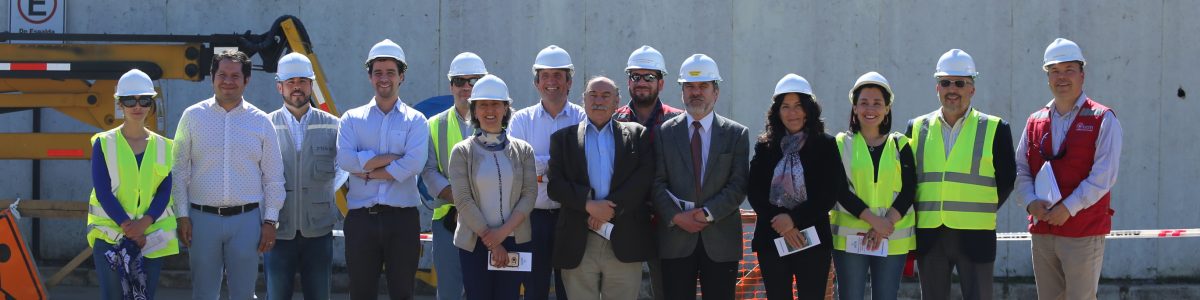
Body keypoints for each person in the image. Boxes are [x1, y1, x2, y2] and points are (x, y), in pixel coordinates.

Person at [173, 49, 287, 300]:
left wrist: (270, 221)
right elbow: (179, 171)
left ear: (247, 80)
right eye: (221, 74)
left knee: (244, 294)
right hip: (202, 220)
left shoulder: (261, 122)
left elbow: (274, 177)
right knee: (203, 293)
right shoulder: (191, 117)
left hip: (246, 221)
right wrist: (182, 216)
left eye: (235, 76)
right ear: (212, 77)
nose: (228, 81)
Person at [1017, 38, 1122, 300]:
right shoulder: (1035, 120)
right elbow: (1020, 168)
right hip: (1043, 231)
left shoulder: (1102, 118)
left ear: (1082, 74)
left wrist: (1068, 208)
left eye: (1069, 70)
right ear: (1047, 77)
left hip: (1082, 231)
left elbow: (1104, 176)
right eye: (1054, 71)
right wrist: (1030, 203)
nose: (1061, 77)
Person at [907, 49, 1016, 300]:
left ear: (972, 90)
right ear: (937, 88)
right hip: (930, 235)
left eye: (960, 83)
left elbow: (1007, 180)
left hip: (975, 235)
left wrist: (979, 207)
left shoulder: (995, 128)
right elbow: (908, 181)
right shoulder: (916, 128)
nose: (952, 88)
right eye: (945, 82)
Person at [336, 39, 429, 300]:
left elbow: (413, 164)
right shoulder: (352, 119)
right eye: (378, 72)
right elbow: (344, 160)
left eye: (390, 72)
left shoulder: (416, 120)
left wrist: (367, 171)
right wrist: (390, 158)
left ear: (402, 76)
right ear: (369, 77)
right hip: (361, 220)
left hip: (402, 220)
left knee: (403, 293)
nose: (384, 78)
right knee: (361, 293)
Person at [548, 77, 657, 299]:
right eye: (593, 95)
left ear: (617, 101)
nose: (598, 101)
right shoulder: (562, 139)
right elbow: (556, 185)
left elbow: (644, 179)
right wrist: (588, 205)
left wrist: (609, 209)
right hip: (579, 240)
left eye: (606, 96)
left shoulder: (637, 135)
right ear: (583, 100)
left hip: (624, 238)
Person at [651, 54, 749, 300]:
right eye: (690, 87)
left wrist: (707, 213)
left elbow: (738, 185)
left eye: (703, 86)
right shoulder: (663, 133)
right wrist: (675, 217)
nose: (696, 92)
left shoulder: (736, 134)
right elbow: (656, 183)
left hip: (720, 242)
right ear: (682, 92)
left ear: (716, 92)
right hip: (675, 240)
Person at [745, 74, 847, 298]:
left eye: (798, 106)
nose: (792, 113)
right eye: (786, 106)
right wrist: (782, 222)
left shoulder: (825, 145)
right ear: (777, 112)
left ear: (808, 109)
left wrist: (794, 220)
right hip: (772, 239)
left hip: (812, 240)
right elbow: (755, 191)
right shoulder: (765, 146)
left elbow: (829, 192)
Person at [87, 69, 179, 300]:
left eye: (144, 100)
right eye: (130, 100)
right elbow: (103, 192)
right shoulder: (103, 143)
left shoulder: (165, 147)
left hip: (150, 237)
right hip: (110, 236)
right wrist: (130, 227)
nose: (137, 106)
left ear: (151, 102)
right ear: (120, 103)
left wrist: (143, 225)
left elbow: (165, 191)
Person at [447, 75, 537, 300]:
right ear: (474, 110)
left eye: (496, 104)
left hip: (513, 240)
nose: (490, 110)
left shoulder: (524, 150)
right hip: (474, 243)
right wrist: (491, 240)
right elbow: (463, 200)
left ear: (505, 108)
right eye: (483, 104)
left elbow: (529, 194)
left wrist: (502, 235)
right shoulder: (461, 152)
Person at [830, 72, 917, 300]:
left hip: (892, 236)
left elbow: (909, 190)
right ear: (855, 108)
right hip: (850, 237)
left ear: (887, 108)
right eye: (864, 103)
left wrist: (885, 224)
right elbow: (839, 190)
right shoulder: (839, 144)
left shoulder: (901, 144)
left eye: (878, 103)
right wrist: (875, 221)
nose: (871, 109)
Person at [508, 45, 586, 300]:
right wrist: (559, 166)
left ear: (569, 81)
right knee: (533, 288)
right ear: (536, 82)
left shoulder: (582, 118)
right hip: (533, 218)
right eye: (545, 76)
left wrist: (540, 169)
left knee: (570, 288)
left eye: (558, 76)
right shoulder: (520, 120)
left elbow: (583, 167)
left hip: (571, 216)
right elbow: (518, 166)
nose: (551, 82)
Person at [264, 52, 341, 300]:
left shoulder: (333, 125)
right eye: (290, 82)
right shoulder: (264, 125)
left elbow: (343, 168)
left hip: (318, 231)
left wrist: (324, 192)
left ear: (311, 85)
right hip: (278, 230)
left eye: (302, 81)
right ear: (280, 86)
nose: (297, 87)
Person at [422, 52, 489, 300]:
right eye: (460, 81)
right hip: (448, 221)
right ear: (451, 85)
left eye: (473, 81)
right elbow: (428, 171)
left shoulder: (500, 122)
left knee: (484, 290)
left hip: (490, 221)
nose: (467, 87)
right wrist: (460, 199)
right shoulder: (434, 124)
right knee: (449, 291)